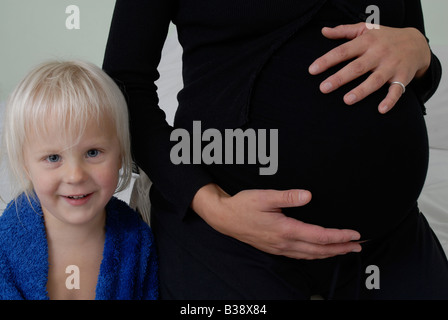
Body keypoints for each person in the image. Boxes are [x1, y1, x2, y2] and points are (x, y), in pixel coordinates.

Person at [103, 0, 448, 299]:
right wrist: (212, 206)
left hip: (387, 236)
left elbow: (413, 75)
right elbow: (124, 87)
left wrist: (420, 52)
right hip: (228, 229)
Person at [0, 60, 158, 300]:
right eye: (53, 157)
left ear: (120, 156)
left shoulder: (136, 241)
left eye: (93, 153)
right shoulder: (6, 246)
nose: (75, 175)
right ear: (25, 165)